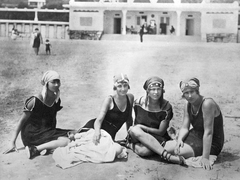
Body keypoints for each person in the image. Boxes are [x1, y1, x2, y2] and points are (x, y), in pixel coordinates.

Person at [3, 70, 73, 159]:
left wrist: (52, 133)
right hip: (32, 134)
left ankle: (46, 148)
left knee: (72, 135)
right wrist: (12, 142)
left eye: (58, 81)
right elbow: (21, 122)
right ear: (46, 83)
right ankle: (34, 149)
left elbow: (52, 118)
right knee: (66, 141)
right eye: (53, 82)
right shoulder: (35, 101)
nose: (56, 84)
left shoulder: (56, 99)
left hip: (45, 131)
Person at [164, 77, 224, 170]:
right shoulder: (188, 104)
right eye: (186, 93)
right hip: (195, 134)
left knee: (173, 151)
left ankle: (179, 154)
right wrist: (180, 139)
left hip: (211, 141)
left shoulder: (207, 103)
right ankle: (176, 138)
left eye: (192, 92)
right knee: (166, 146)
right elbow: (185, 127)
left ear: (197, 91)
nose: (189, 96)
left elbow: (208, 132)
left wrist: (205, 158)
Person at [127, 76, 186, 165]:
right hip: (137, 134)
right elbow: (131, 120)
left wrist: (142, 127)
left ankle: (129, 145)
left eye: (158, 89)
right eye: (153, 89)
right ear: (147, 91)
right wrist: (131, 132)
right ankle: (169, 157)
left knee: (144, 151)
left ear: (162, 90)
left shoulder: (166, 107)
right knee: (134, 129)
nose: (156, 92)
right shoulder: (138, 103)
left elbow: (161, 132)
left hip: (156, 137)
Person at [81, 73, 134, 144]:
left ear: (128, 86)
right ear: (115, 87)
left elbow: (129, 119)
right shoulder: (109, 100)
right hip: (96, 129)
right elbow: (98, 120)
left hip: (110, 136)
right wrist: (97, 133)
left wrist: (129, 136)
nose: (123, 89)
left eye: (125, 86)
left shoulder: (130, 98)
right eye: (119, 86)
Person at [52, 128, 128, 169]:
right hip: (95, 132)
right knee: (68, 142)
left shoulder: (107, 143)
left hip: (96, 135)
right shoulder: (84, 138)